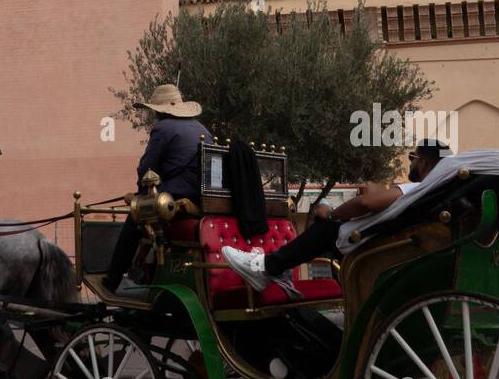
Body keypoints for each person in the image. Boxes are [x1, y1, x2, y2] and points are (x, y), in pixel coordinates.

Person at [221, 140, 452, 296]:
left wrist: (331, 213)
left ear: (423, 162)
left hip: (374, 248)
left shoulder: (417, 188)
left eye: (413, 157)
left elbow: (366, 203)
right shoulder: (439, 192)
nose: (410, 163)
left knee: (328, 227)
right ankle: (275, 267)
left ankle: (267, 266)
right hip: (398, 249)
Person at [102, 84, 213, 293]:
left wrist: (139, 195)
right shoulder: (202, 128)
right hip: (200, 201)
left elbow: (146, 169)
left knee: (134, 219)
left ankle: (112, 279)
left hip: (174, 199)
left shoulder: (163, 128)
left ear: (158, 110)